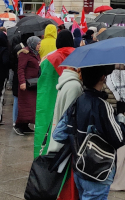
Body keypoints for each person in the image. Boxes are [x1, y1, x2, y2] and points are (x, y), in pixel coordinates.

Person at [52, 65, 125, 200]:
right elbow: (119, 138)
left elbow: (58, 133)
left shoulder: (77, 101)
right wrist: (121, 116)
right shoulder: (103, 106)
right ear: (102, 77)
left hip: (79, 168)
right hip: (98, 171)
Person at [33, 30, 75, 158]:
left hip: (51, 100)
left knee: (47, 127)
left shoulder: (49, 59)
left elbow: (42, 83)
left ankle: (43, 157)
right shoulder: (79, 56)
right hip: (73, 99)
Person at [46, 62, 82, 200]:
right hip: (66, 147)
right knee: (67, 189)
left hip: (58, 142)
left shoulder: (65, 81)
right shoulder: (75, 86)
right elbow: (71, 120)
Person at [15, 36, 40, 135]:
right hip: (26, 84)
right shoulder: (24, 53)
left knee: (31, 106)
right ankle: (18, 125)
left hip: (33, 84)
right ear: (32, 44)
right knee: (25, 106)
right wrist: (22, 82)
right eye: (38, 44)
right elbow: (20, 69)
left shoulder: (35, 53)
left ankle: (25, 125)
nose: (39, 46)